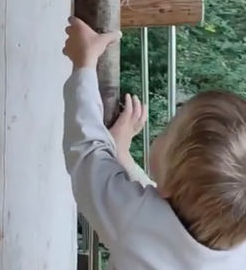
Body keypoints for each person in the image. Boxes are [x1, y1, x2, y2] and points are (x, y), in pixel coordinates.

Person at [62, 16, 246, 269]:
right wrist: (122, 155)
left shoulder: (134, 220)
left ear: (168, 185)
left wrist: (84, 64)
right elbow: (165, 213)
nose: (163, 130)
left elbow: (87, 152)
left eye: (170, 128)